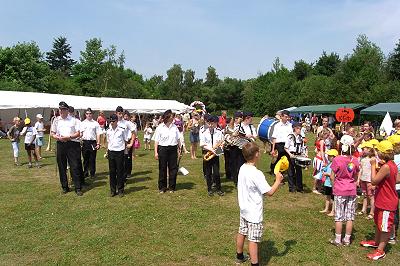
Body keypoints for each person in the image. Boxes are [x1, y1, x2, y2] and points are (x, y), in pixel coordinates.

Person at [235, 142, 283, 265]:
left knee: (242, 231)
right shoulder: (256, 174)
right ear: (256, 154)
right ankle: (254, 264)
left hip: (244, 208)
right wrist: (278, 181)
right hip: (254, 213)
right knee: (253, 239)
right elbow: (270, 192)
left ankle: (239, 256)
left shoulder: (242, 167)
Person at [360, 140, 399, 260]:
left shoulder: (386, 166)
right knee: (378, 222)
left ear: (381, 153)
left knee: (384, 227)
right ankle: (376, 242)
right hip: (382, 200)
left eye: (377, 151)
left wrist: (373, 165)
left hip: (387, 202)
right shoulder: (391, 164)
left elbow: (373, 181)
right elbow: (396, 179)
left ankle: (380, 250)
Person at [329, 135, 360, 246]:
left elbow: (332, 176)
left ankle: (337, 240)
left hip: (340, 189)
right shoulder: (355, 160)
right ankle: (347, 239)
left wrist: (334, 186)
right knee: (350, 216)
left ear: (341, 146)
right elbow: (356, 176)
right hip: (351, 190)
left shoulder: (337, 159)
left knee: (339, 216)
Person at [51, 101, 83, 196]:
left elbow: (78, 133)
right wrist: (56, 137)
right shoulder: (56, 120)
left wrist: (69, 137)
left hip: (72, 144)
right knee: (62, 166)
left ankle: (78, 187)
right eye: (60, 109)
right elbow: (53, 133)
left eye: (63, 109)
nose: (61, 111)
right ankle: (65, 187)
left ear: (67, 110)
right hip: (61, 144)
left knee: (74, 166)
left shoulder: (74, 120)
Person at [154, 110, 181, 193]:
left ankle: (172, 187)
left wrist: (180, 149)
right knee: (162, 168)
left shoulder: (175, 127)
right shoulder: (160, 127)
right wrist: (156, 152)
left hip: (173, 149)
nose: (173, 117)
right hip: (163, 149)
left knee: (173, 168)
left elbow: (178, 139)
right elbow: (156, 141)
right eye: (171, 116)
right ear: (167, 117)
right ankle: (162, 187)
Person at [200, 115, 224, 196]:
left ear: (215, 123)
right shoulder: (204, 132)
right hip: (207, 153)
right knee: (208, 172)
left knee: (217, 173)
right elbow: (202, 145)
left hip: (216, 154)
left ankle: (219, 189)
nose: (210, 125)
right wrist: (211, 149)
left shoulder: (219, 132)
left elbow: (221, 142)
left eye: (212, 123)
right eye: (209, 123)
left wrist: (219, 149)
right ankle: (209, 189)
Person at [106, 114, 128, 197]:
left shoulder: (122, 130)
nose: (111, 123)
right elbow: (108, 141)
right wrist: (107, 151)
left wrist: (125, 151)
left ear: (117, 121)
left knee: (120, 171)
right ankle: (112, 190)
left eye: (113, 121)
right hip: (111, 151)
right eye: (110, 121)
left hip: (119, 152)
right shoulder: (108, 130)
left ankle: (120, 190)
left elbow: (125, 140)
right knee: (112, 172)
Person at [284, 122, 307, 192]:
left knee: (299, 171)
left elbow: (302, 147)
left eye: (300, 128)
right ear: (294, 128)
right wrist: (290, 154)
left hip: (298, 155)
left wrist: (304, 154)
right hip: (291, 155)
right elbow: (285, 147)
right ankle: (291, 188)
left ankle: (299, 187)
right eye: (298, 128)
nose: (299, 130)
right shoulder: (290, 136)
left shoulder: (300, 138)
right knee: (291, 172)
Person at [80, 108, 101, 179]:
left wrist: (98, 143)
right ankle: (85, 173)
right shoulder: (82, 123)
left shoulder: (95, 123)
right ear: (85, 115)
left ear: (92, 114)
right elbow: (80, 133)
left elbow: (98, 134)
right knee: (85, 159)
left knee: (92, 159)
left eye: (90, 113)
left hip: (93, 142)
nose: (89, 115)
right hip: (85, 142)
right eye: (87, 113)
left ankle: (92, 173)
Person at [316, 149, 338, 216]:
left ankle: (333, 211)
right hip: (327, 183)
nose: (328, 157)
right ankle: (326, 208)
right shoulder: (329, 163)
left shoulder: (335, 165)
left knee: (333, 198)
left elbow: (335, 175)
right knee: (327, 196)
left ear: (334, 157)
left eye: (329, 156)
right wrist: (323, 169)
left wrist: (327, 174)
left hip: (332, 184)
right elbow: (326, 169)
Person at [357, 141, 376, 219]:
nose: (362, 150)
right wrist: (358, 179)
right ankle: (363, 210)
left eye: (363, 148)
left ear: (369, 149)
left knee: (371, 196)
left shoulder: (373, 159)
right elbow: (360, 170)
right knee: (365, 195)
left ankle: (372, 212)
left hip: (370, 180)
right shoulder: (363, 159)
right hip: (363, 179)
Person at [270, 110, 292, 176]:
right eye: (285, 117)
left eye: (288, 117)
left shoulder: (290, 125)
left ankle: (287, 174)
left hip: (287, 145)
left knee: (288, 160)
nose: (287, 118)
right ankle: (276, 172)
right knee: (279, 160)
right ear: (281, 117)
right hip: (279, 145)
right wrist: (273, 149)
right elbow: (274, 137)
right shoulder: (277, 125)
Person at [387, 134, 400, 244]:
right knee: (396, 210)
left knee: (392, 211)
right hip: (397, 187)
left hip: (392, 187)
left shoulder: (391, 160)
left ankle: (392, 235)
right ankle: (394, 232)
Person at [116, 107, 135, 180]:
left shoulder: (127, 123)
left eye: (121, 113)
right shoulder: (114, 122)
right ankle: (118, 178)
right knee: (117, 164)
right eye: (118, 113)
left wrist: (131, 143)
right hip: (115, 146)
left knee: (124, 162)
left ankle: (123, 179)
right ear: (116, 113)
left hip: (124, 145)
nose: (120, 115)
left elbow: (134, 133)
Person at [312, 128, 330, 194]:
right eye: (327, 135)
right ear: (324, 134)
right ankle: (314, 188)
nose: (327, 137)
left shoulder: (319, 139)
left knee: (320, 173)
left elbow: (317, 149)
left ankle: (319, 188)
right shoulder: (322, 141)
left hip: (317, 157)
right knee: (318, 174)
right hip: (320, 159)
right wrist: (324, 160)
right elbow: (322, 151)